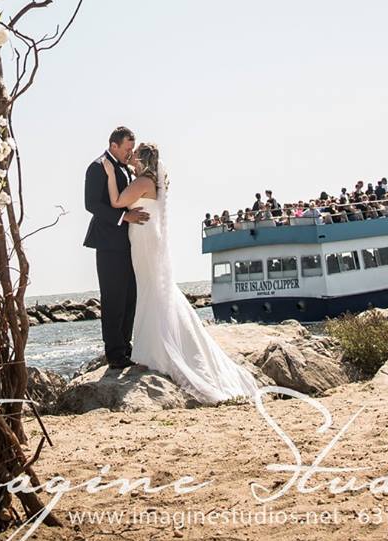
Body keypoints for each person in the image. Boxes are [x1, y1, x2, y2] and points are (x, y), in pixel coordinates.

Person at [122, 141, 261, 404]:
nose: (131, 155)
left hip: (144, 238)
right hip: (146, 236)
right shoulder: (145, 179)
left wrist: (110, 173)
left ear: (142, 158)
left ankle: (153, 349)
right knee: (153, 288)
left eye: (135, 152)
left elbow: (118, 200)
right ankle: (153, 344)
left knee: (151, 288)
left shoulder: (142, 181)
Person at [83, 127, 149, 370]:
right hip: (108, 241)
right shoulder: (97, 167)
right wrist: (124, 218)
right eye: (127, 149)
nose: (129, 153)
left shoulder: (124, 167)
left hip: (128, 241)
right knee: (113, 297)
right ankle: (114, 353)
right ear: (114, 146)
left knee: (130, 295)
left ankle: (125, 346)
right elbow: (91, 204)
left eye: (132, 149)